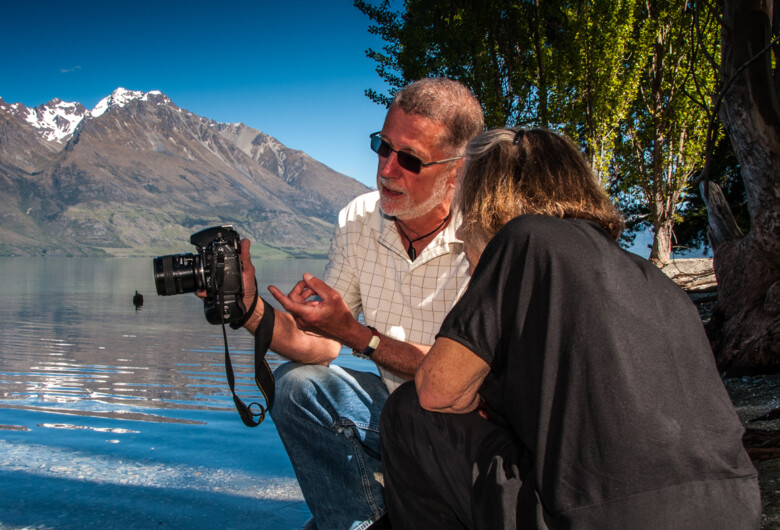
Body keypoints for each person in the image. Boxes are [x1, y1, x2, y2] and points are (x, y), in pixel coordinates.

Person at [378, 128, 762, 529]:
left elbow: (436, 388)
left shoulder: (525, 239)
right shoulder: (655, 281)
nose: (459, 231)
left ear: (488, 204)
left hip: (601, 519)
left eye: (466, 212)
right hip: (732, 510)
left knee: (408, 413)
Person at [233, 77, 485, 529]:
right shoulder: (359, 219)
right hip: (391, 413)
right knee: (298, 386)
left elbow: (453, 381)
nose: (386, 170)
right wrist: (248, 308)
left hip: (466, 428)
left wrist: (355, 333)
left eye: (410, 159)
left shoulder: (485, 234)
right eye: (382, 147)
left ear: (456, 170)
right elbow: (321, 347)